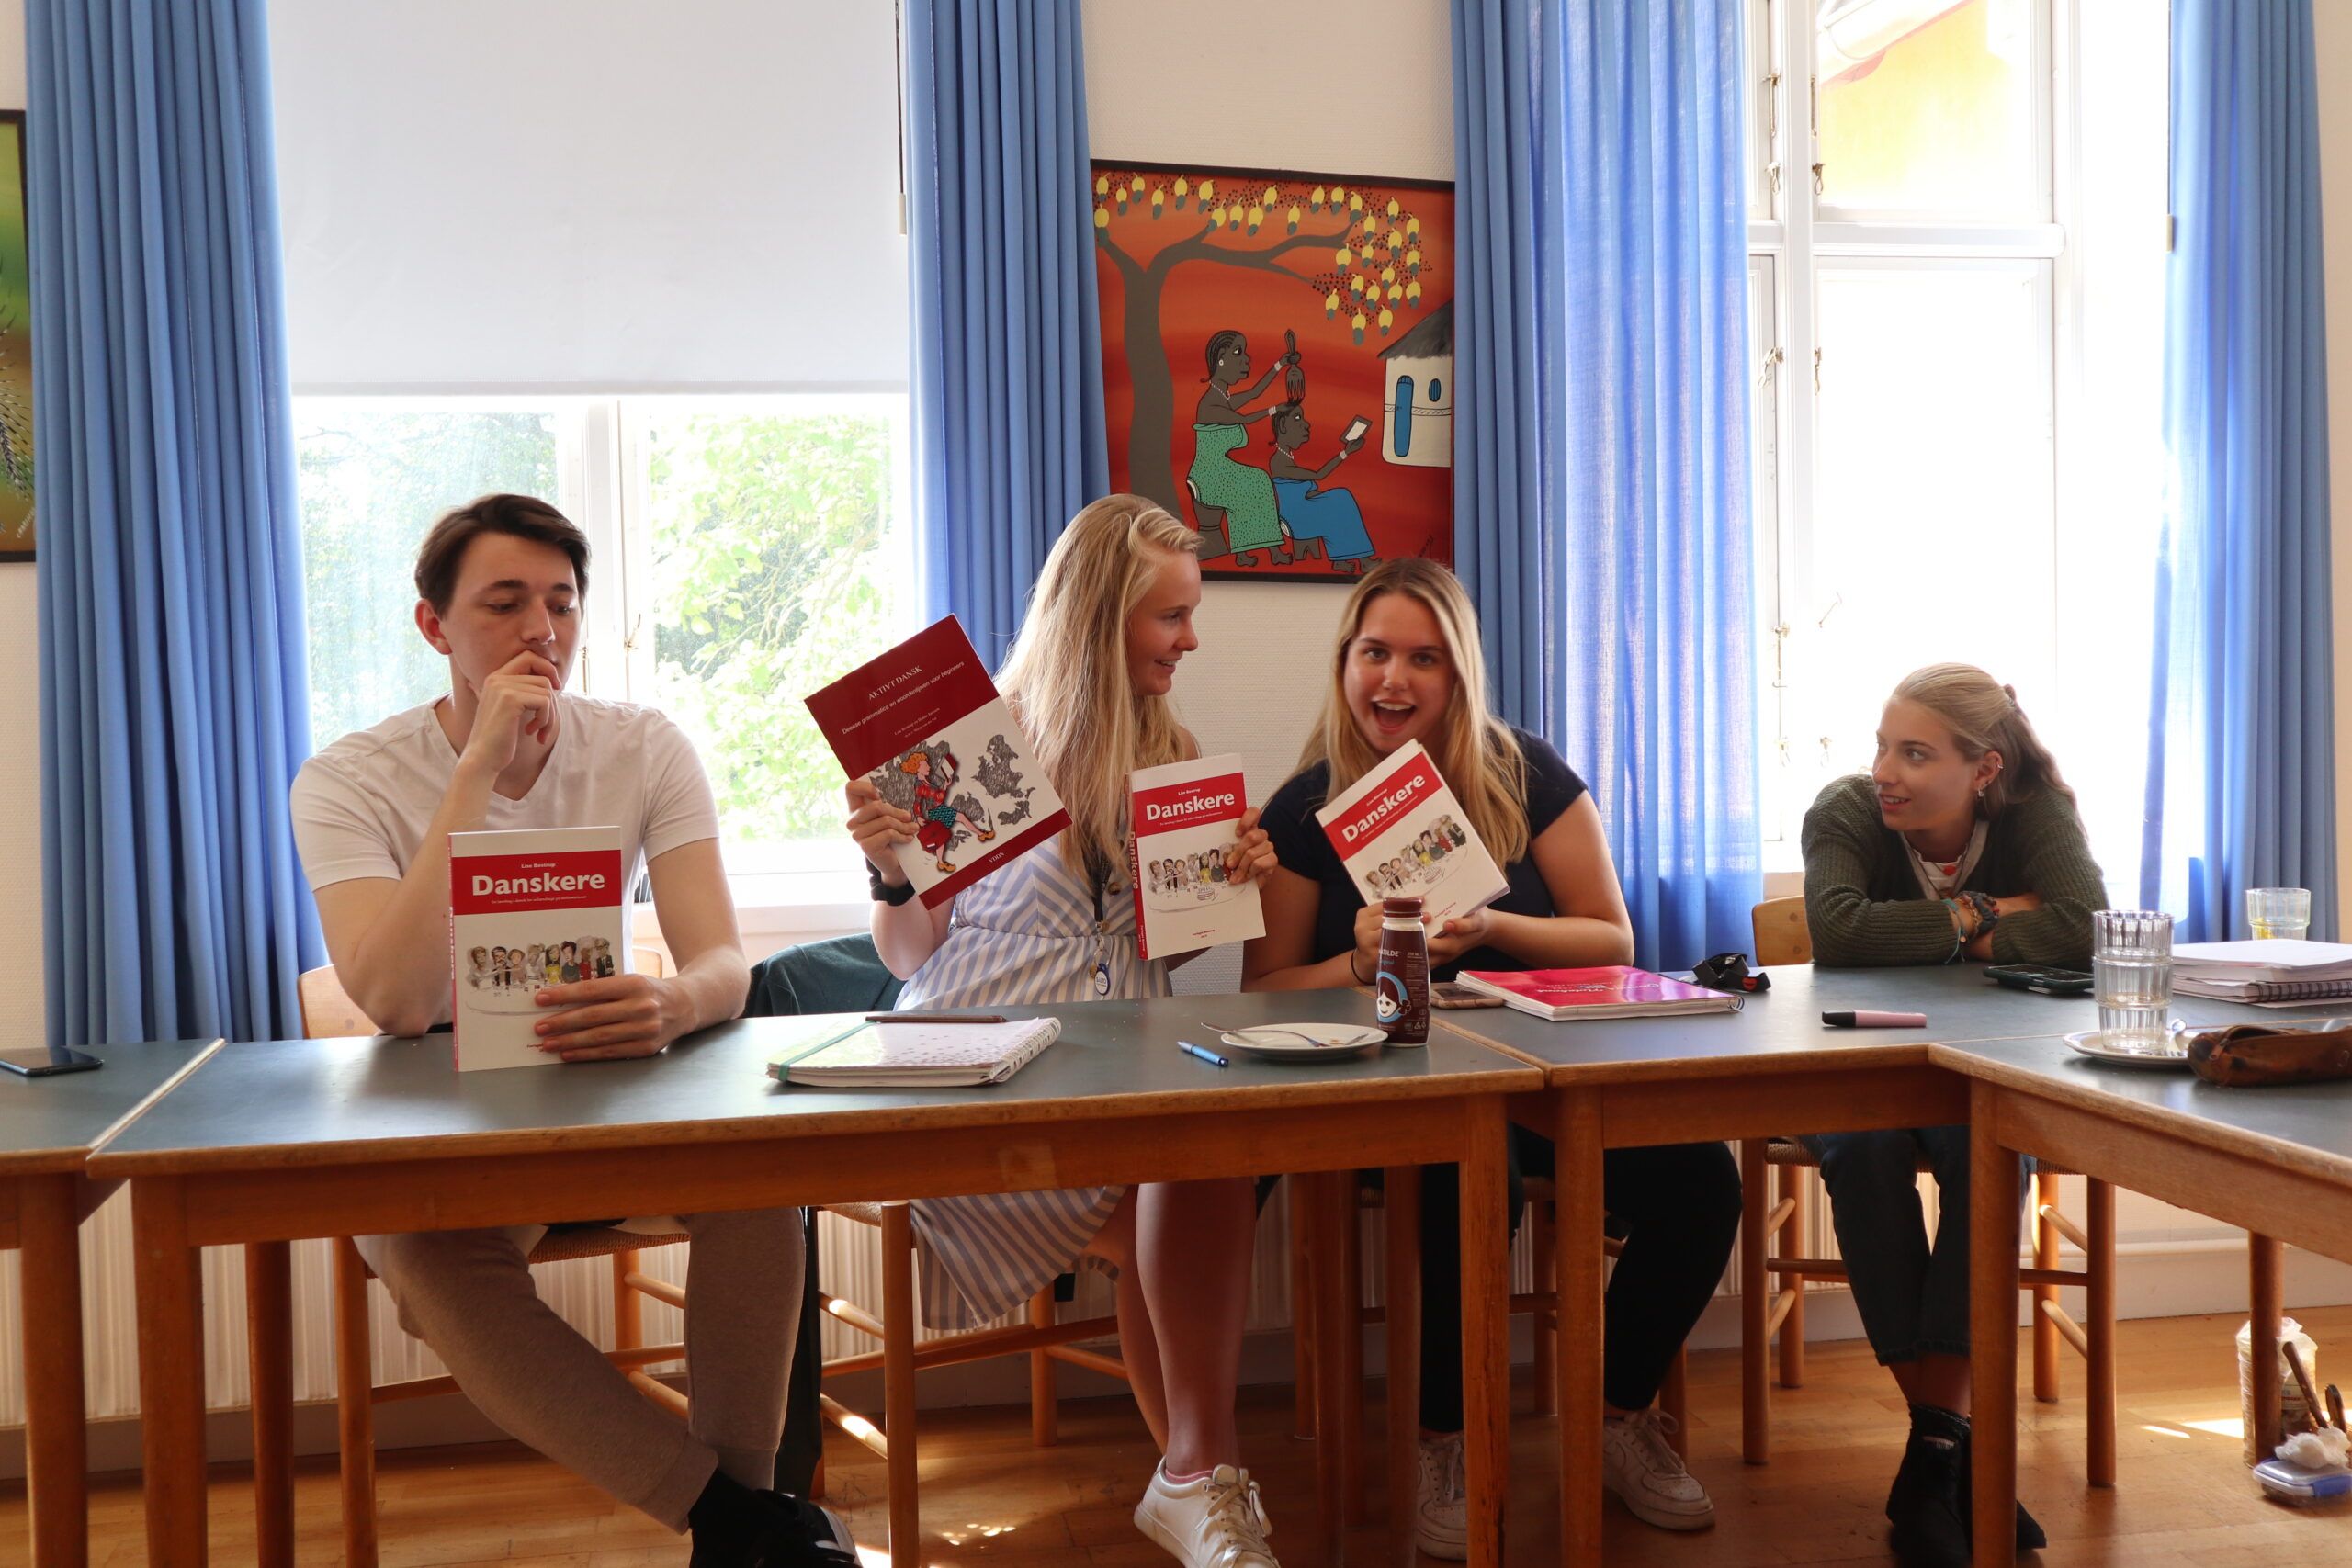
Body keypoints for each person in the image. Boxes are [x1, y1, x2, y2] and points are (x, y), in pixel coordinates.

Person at [288, 493, 849, 1567]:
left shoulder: (644, 746)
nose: (540, 631)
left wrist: (674, 1003)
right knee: (430, 1259)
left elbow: (721, 962)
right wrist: (473, 776)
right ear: (434, 626)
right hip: (437, 1115)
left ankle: (738, 1536)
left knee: (761, 1199)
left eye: (561, 603)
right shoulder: (346, 779)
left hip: (605, 1092)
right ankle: (743, 1527)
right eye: (503, 604)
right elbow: (395, 999)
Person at [1242, 558, 1741, 1556]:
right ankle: (1445, 1438)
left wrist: (1492, 927)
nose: (1395, 679)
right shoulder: (1304, 808)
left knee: (1703, 1186)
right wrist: (1361, 957)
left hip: (1554, 1082)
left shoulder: (1526, 773)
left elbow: (1612, 938)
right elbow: (1265, 991)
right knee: (1468, 1178)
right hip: (1400, 1093)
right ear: (1345, 664)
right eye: (1375, 653)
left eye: (1424, 658)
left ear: (1459, 673)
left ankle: (1618, 1415)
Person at [846, 495, 1286, 1568]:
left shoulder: (1170, 752)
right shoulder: (971, 748)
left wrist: (1231, 883)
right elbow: (907, 957)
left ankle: (1196, 1483)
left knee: (1197, 1158)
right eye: (1170, 616)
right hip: (979, 1071)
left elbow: (1172, 954)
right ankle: (1200, 1486)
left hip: (1110, 1076)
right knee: (1188, 1175)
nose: (1190, 640)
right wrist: (890, 868)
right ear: (1099, 617)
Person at [1800, 664, 2107, 1566]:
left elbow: (2086, 927)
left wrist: (1931, 927)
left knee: (1991, 1151)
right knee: (1862, 1154)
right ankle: (1953, 1448)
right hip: (1853, 1065)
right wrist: (1987, 914)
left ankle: (1933, 1458)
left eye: (1914, 753)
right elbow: (1839, 934)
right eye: (1882, 746)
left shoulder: (2033, 813)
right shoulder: (1848, 811)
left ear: (1983, 770)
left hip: (1981, 1066)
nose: (1884, 771)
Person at [1187, 331, 1296, 565]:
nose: (1246, 359)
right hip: (1208, 474)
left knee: (1258, 480)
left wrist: (1281, 364)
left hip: (1222, 469)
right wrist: (1275, 410)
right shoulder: (1210, 404)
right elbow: (1244, 419)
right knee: (1253, 484)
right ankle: (1247, 553)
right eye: (1238, 352)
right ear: (1221, 359)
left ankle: (1268, 551)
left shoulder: (1222, 397)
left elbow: (1256, 393)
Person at [1266, 401, 1375, 572]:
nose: (1306, 424)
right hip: (1295, 520)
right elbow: (1318, 475)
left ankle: (1341, 560)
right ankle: (1364, 560)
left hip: (1304, 510)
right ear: (1282, 425)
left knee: (1338, 499)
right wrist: (1345, 453)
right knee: (1341, 498)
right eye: (1297, 418)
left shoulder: (1286, 456)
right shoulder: (1279, 461)